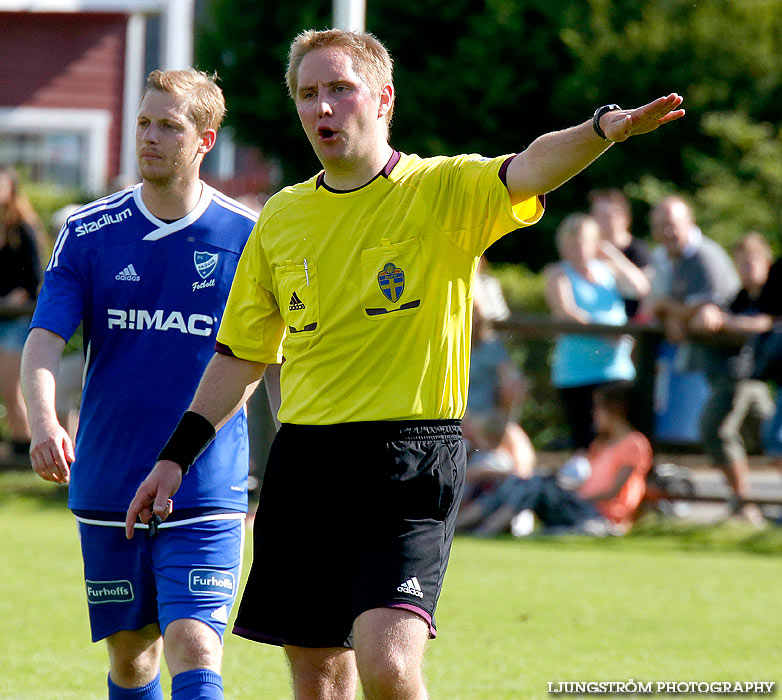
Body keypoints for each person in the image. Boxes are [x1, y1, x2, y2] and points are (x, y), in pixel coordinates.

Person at [126, 29, 684, 700]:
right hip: (305, 461)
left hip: (408, 459)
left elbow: (530, 166)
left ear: (384, 99)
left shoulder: (441, 189)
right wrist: (175, 457)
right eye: (308, 94)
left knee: (387, 661)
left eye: (340, 89)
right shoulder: (281, 216)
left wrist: (602, 131)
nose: (322, 108)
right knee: (316, 671)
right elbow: (242, 353)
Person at [20, 69, 257, 700]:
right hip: (110, 474)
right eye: (143, 123)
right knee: (133, 658)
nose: (148, 137)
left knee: (196, 641)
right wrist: (45, 422)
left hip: (207, 481)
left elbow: (273, 361)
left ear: (205, 140)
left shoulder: (248, 237)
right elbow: (44, 340)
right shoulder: (89, 232)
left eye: (169, 126)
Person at [648, 197, 763, 520]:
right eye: (661, 226)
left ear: (690, 223)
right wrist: (670, 310)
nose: (667, 232)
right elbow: (656, 304)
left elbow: (706, 317)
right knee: (763, 431)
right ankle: (748, 507)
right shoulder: (666, 257)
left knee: (718, 430)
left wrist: (670, 309)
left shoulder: (705, 256)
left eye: (673, 224)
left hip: (740, 361)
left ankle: (746, 508)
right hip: (718, 364)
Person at [457, 381, 653, 537]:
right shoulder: (600, 445)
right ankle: (465, 525)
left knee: (534, 484)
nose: (594, 414)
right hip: (580, 504)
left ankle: (488, 529)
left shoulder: (634, 444)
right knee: (526, 481)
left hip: (602, 515)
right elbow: (587, 481)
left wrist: (579, 496)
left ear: (616, 410)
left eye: (598, 408)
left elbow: (614, 490)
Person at [688, 233, 776, 524]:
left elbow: (765, 322)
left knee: (719, 429)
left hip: (755, 379)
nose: (747, 268)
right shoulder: (740, 296)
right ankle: (746, 504)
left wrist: (724, 321)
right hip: (750, 378)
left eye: (752, 261)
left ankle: (746, 502)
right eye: (742, 263)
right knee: (768, 438)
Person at [544, 213, 650, 449]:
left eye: (583, 241)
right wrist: (606, 333)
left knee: (624, 437)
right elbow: (566, 312)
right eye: (572, 242)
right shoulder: (557, 273)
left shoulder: (608, 270)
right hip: (577, 372)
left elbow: (641, 287)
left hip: (616, 369)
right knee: (587, 440)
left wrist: (613, 255)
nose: (578, 248)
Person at [460, 301, 536, 515]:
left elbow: (512, 380)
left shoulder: (491, 347)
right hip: (456, 420)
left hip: (486, 421)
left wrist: (510, 394)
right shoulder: (450, 345)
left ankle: (523, 494)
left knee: (515, 439)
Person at [0, 166, 43, 457]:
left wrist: (20, 294)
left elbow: (36, 276)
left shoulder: (23, 228)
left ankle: (24, 447)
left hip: (17, 318)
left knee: (11, 388)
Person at [588, 188, 651, 319]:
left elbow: (645, 289)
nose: (604, 221)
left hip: (633, 325)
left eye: (610, 216)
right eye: (599, 215)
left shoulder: (637, 250)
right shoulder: (587, 250)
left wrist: (614, 257)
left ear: (625, 218)